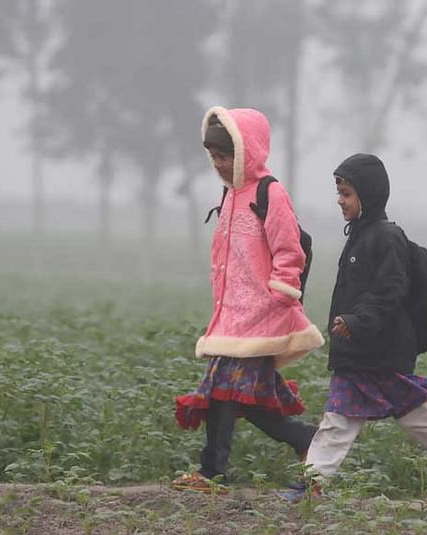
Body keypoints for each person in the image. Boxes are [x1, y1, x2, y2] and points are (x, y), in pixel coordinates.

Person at [283, 153, 427, 505]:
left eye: (346, 193)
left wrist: (357, 322)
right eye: (339, 193)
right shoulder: (360, 236)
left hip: (380, 351)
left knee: (362, 419)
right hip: (366, 352)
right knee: (362, 418)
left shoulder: (385, 237)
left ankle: (313, 484)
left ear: (369, 194)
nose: (340, 201)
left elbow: (390, 290)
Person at [173, 106, 325, 492]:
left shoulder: (268, 192)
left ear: (248, 151)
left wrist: (279, 295)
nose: (220, 164)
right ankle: (305, 440)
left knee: (223, 393)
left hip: (262, 316)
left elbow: (290, 250)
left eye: (227, 155)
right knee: (240, 398)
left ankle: (212, 472)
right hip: (233, 319)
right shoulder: (231, 194)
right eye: (215, 156)